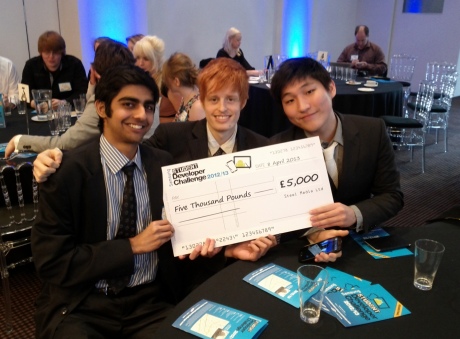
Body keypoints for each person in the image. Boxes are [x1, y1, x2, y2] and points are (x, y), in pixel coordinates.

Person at [33, 58, 346, 263]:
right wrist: (58, 155)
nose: (222, 108)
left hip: (242, 259)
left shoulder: (262, 149)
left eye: (231, 99)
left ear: (244, 102)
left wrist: (280, 235)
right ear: (201, 100)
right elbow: (125, 150)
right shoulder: (172, 138)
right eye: (213, 99)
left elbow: (282, 207)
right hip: (183, 265)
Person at [32, 64, 181, 338]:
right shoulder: (67, 173)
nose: (142, 115)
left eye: (149, 107)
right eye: (129, 104)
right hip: (84, 304)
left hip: (149, 302)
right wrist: (132, 247)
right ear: (101, 108)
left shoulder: (164, 166)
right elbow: (52, 262)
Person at [269, 57, 403, 240]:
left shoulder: (372, 131)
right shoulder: (276, 149)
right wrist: (313, 234)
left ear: (331, 88)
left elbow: (392, 195)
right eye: (290, 101)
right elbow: (275, 212)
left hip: (358, 241)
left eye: (309, 91)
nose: (303, 106)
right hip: (302, 246)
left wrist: (354, 214)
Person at [4, 40, 135, 158]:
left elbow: (65, 144)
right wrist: (93, 85)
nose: (51, 57)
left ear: (94, 71)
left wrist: (19, 141)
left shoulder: (103, 102)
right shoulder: (138, 93)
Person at [21, 31, 88, 110]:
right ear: (41, 53)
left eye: (55, 53)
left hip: (67, 112)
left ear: (62, 53)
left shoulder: (75, 64)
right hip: (39, 113)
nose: (51, 57)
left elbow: (82, 92)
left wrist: (64, 102)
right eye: (47, 53)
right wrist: (35, 103)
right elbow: (24, 94)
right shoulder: (31, 65)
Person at [133, 35, 177, 130]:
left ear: (156, 59)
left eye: (146, 59)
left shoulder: (167, 81)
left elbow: (183, 113)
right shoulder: (138, 82)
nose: (140, 63)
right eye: (137, 58)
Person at [162, 52, 205, 122]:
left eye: (167, 78)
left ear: (176, 81)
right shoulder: (186, 98)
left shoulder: (197, 107)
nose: (166, 82)